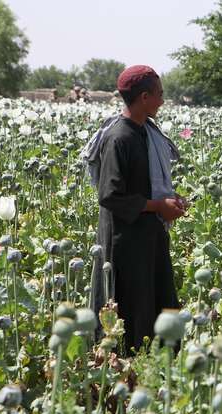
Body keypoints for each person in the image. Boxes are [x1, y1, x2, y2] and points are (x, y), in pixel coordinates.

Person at [84, 65, 188, 354]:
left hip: (148, 237)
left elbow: (149, 187)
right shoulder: (120, 138)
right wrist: (158, 206)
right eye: (159, 95)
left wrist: (170, 200)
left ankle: (159, 361)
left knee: (156, 299)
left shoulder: (145, 134)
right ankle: (130, 365)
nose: (162, 101)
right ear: (144, 97)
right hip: (125, 244)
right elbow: (110, 195)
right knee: (133, 307)